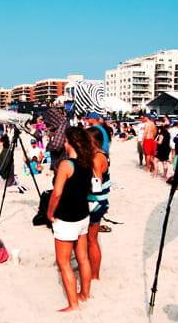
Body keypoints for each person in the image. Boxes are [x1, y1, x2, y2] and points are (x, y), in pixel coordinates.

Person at [46, 126, 94, 311]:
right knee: (82, 257)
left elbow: (56, 194)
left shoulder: (67, 164)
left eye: (66, 141)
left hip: (67, 217)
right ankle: (85, 293)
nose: (64, 143)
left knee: (64, 261)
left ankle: (73, 304)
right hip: (83, 214)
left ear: (71, 143)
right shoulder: (87, 162)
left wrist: (50, 213)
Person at [86, 125, 111, 281]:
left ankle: (95, 274)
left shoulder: (96, 158)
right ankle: (91, 267)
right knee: (90, 238)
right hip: (101, 201)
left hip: (94, 202)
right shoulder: (104, 154)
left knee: (91, 239)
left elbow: (95, 185)